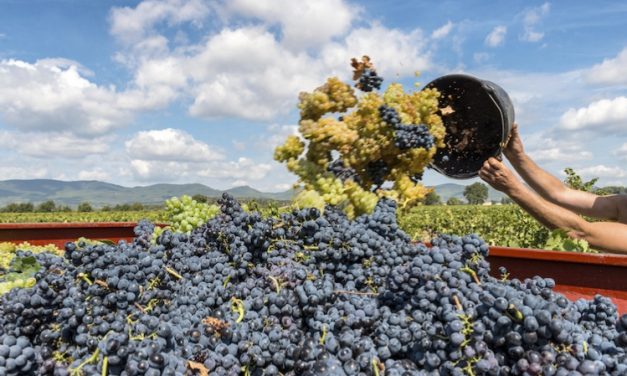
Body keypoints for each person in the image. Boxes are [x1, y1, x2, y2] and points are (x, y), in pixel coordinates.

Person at [478, 124, 627, 255]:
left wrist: (514, 189)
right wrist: (518, 157)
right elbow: (559, 193)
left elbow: (581, 233)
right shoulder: (623, 204)